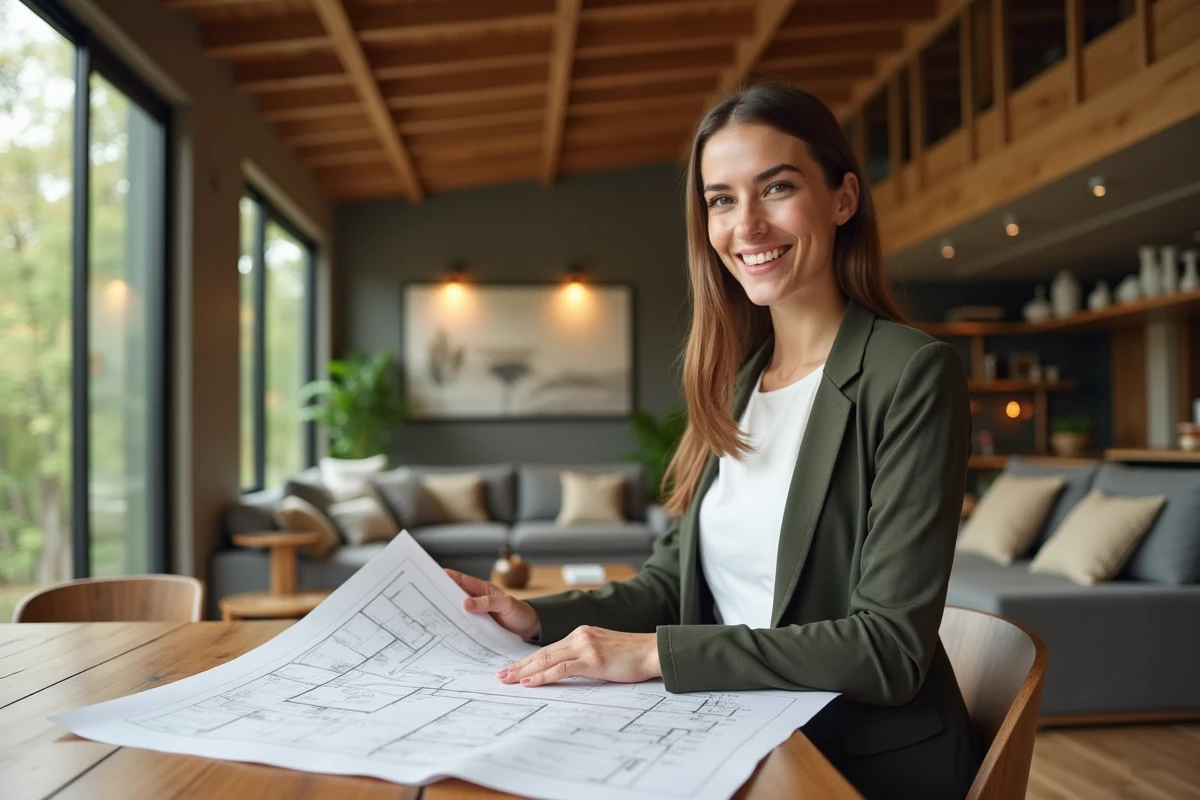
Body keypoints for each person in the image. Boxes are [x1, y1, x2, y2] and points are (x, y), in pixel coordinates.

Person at [446, 83, 982, 800]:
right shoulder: (734, 386)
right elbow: (672, 585)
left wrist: (651, 655)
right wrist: (535, 613)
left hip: (856, 762)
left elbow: (887, 651)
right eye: (722, 200)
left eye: (778, 188)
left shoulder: (910, 374)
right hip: (733, 729)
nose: (747, 225)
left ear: (844, 199)